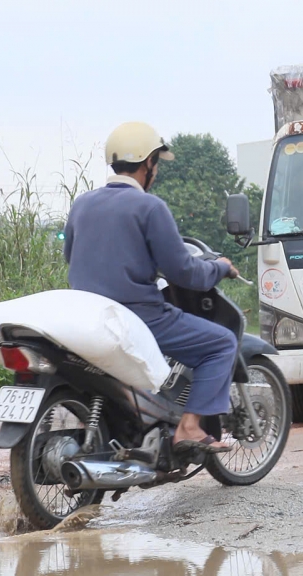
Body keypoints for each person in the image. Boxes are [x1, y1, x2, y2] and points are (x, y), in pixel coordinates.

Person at [63, 122, 242, 456]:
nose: (156, 171)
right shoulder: (150, 207)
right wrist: (219, 268)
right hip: (139, 317)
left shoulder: (82, 204)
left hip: (87, 315)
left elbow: (70, 256)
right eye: (156, 163)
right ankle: (189, 428)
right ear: (148, 163)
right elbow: (184, 272)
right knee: (221, 343)